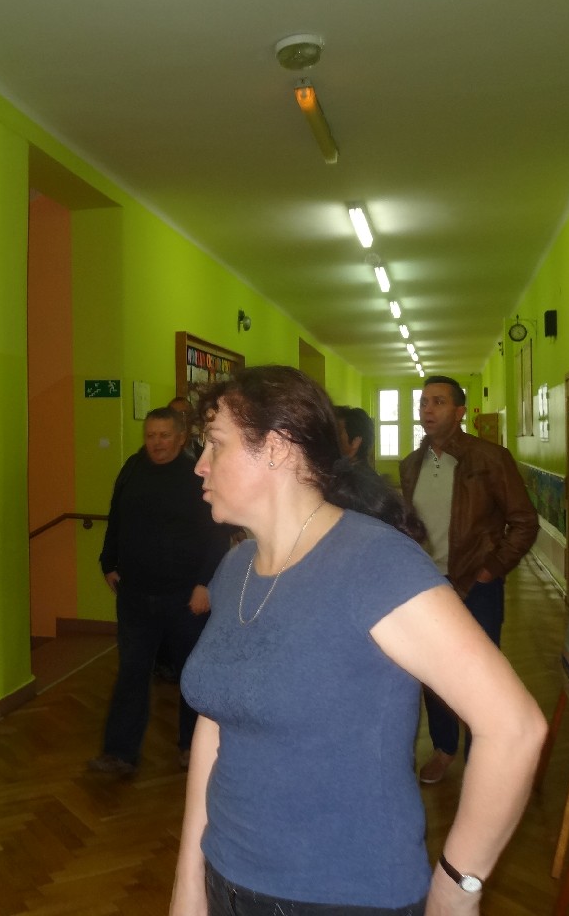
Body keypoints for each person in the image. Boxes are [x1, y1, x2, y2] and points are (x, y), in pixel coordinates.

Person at [172, 366, 544, 915]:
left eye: (215, 444)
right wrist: (189, 877)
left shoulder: (375, 563)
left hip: (342, 896)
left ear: (276, 448)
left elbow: (514, 728)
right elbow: (216, 721)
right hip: (226, 877)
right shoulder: (236, 568)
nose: (200, 465)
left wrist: (454, 890)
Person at [400, 375, 539, 786]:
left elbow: (524, 522)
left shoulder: (489, 458)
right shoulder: (411, 465)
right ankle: (444, 748)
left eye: (438, 402)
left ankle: (483, 755)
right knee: (432, 674)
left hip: (476, 586)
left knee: (481, 674)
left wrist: (490, 570)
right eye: (423, 402)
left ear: (460, 412)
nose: (427, 409)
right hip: (427, 586)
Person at [91, 408, 231, 775]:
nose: (156, 442)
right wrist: (108, 561)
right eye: (150, 435)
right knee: (131, 674)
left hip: (185, 598)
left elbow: (217, 535)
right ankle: (119, 753)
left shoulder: (198, 475)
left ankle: (192, 747)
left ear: (181, 438)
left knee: (191, 676)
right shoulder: (132, 469)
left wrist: (205, 584)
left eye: (164, 435)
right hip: (136, 595)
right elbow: (116, 516)